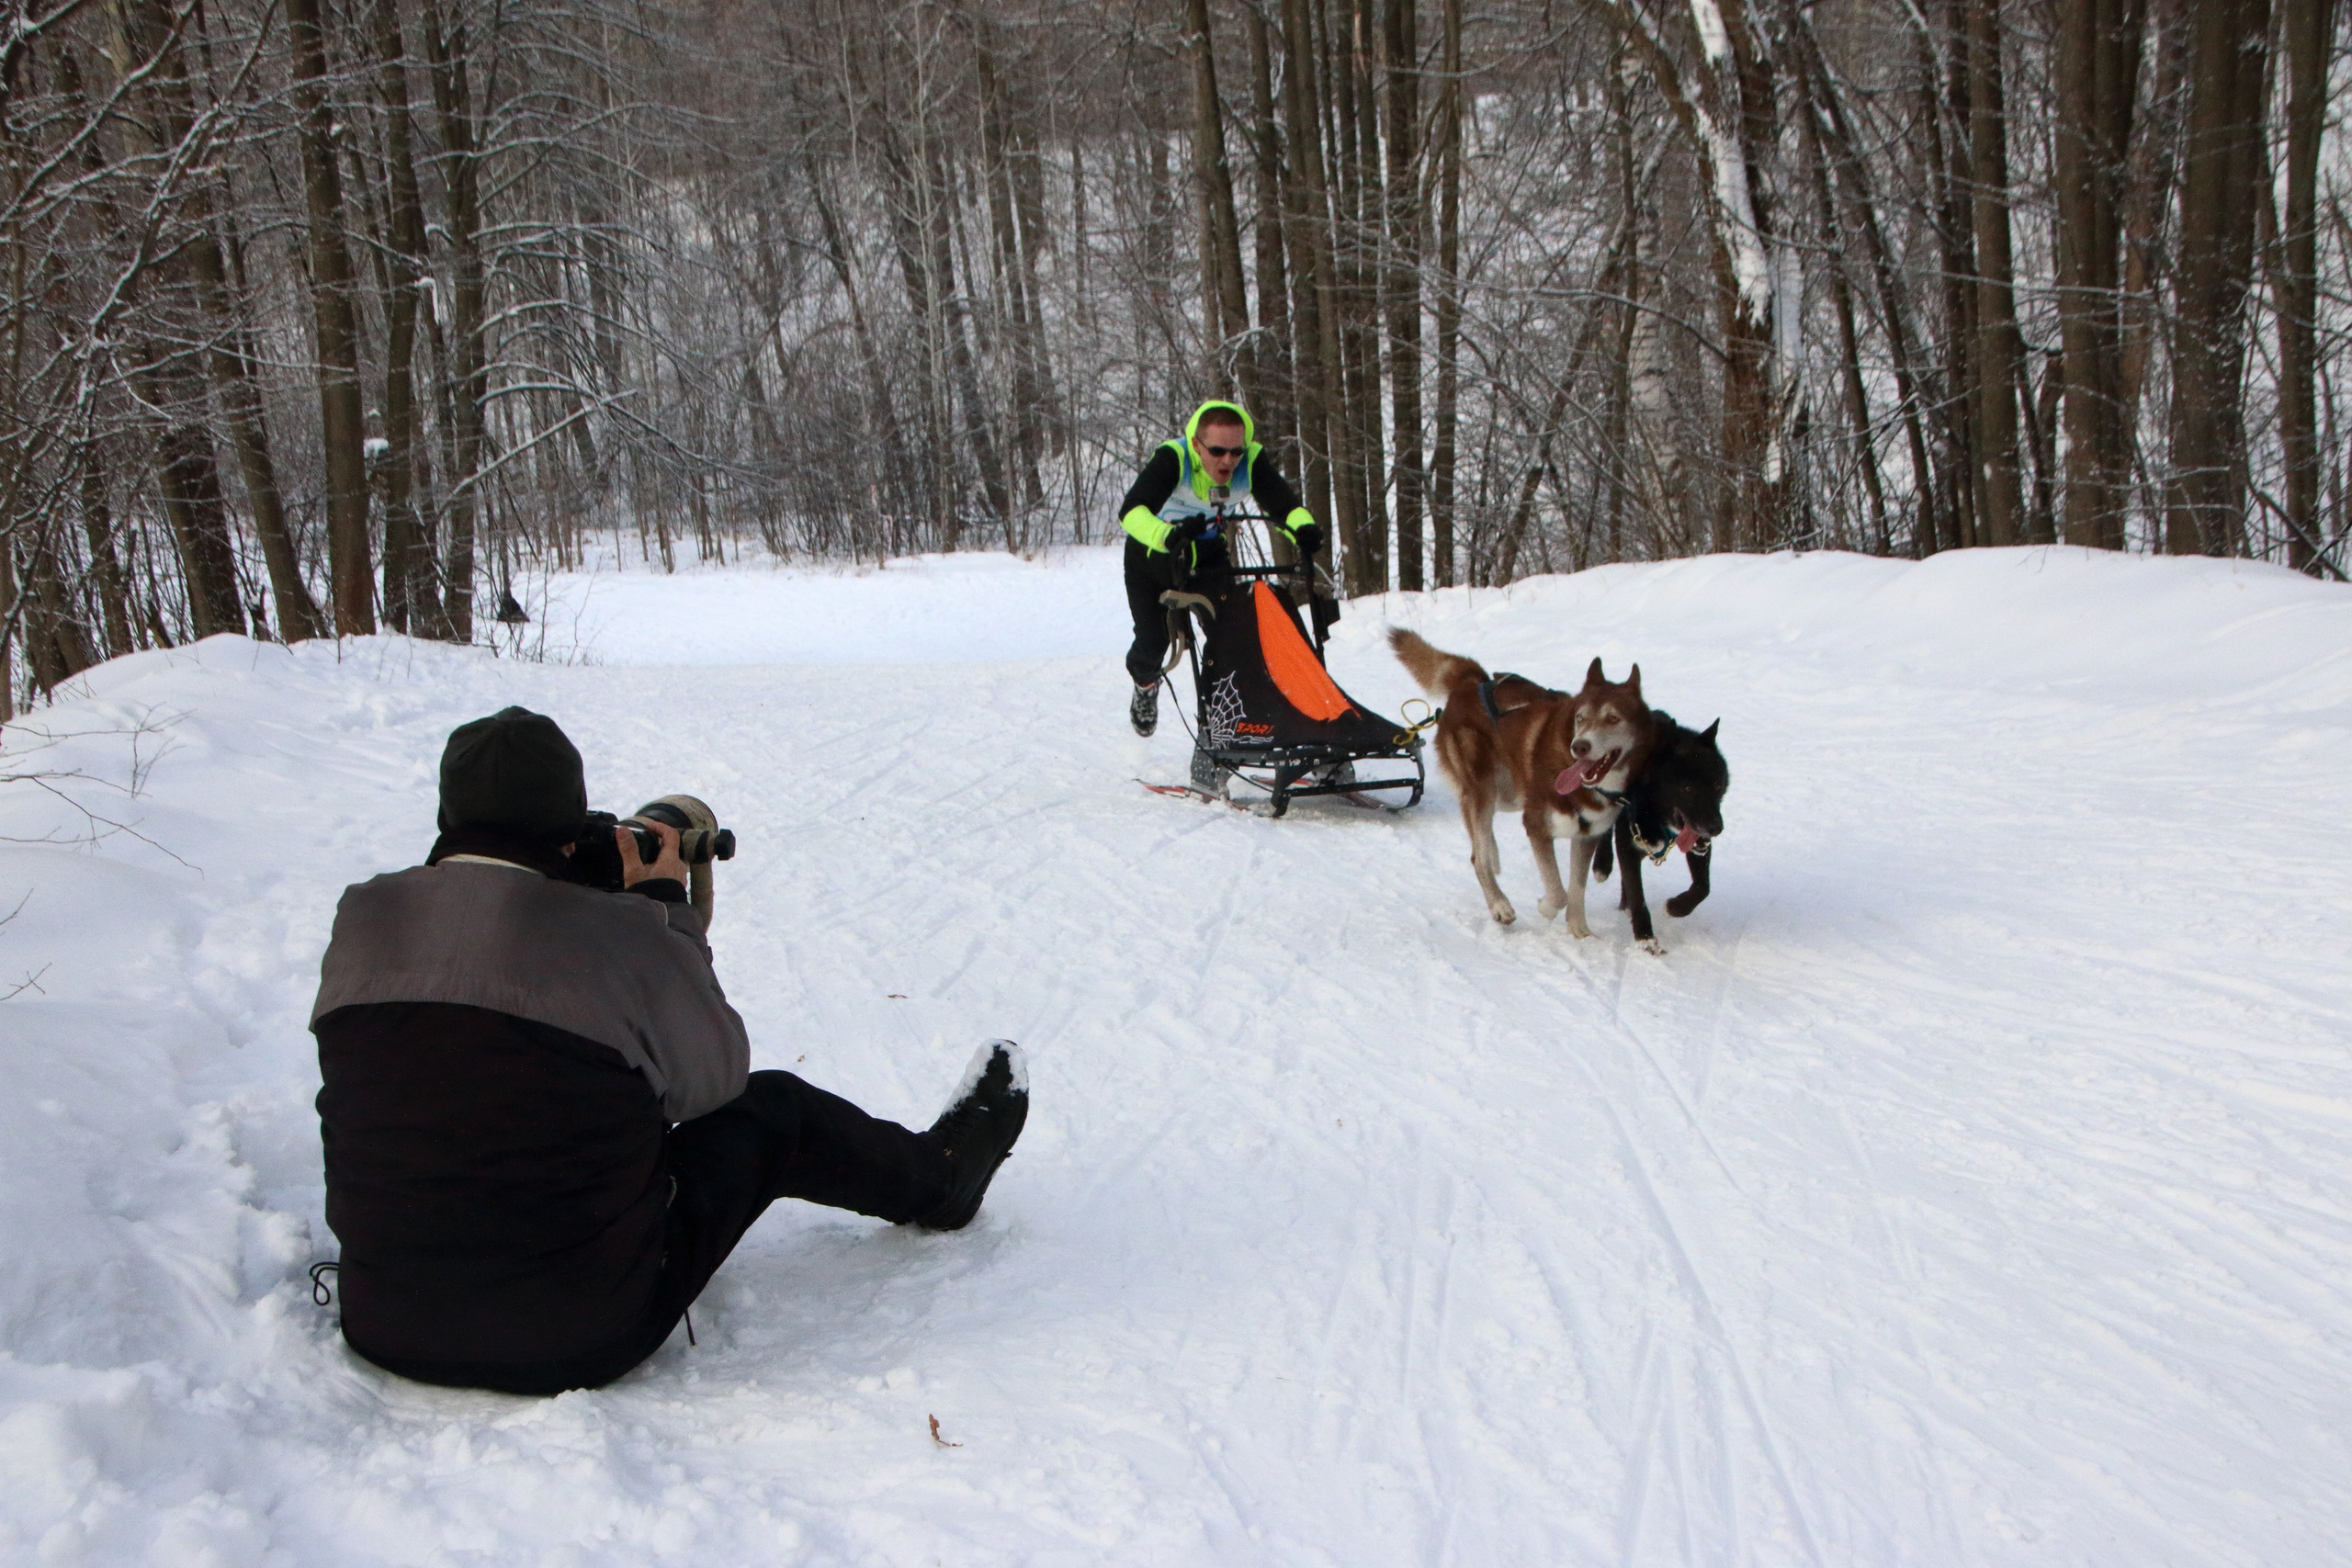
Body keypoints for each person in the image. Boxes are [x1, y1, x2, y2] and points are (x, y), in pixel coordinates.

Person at [310, 705, 1028, 1395]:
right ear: (572, 826)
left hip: (383, 1321)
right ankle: (944, 1182)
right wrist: (661, 910)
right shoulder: (619, 936)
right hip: (575, 1337)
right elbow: (711, 1082)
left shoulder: (362, 913)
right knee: (774, 1108)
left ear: (445, 816)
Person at [1118, 400, 1327, 737]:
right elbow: (1131, 511)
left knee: (1229, 636)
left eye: (1235, 451)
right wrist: (1167, 535)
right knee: (1153, 641)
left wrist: (1302, 528)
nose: (1228, 460)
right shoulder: (1174, 458)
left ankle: (1225, 720)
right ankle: (1144, 685)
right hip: (1152, 555)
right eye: (1217, 451)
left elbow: (1284, 505)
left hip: (1208, 553)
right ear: (1197, 446)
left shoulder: (1251, 461)